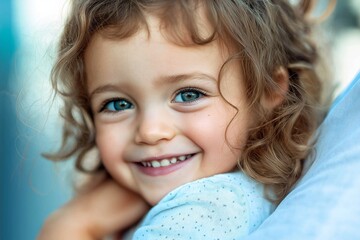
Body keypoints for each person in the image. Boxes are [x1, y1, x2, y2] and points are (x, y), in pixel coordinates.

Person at [38, 0, 329, 239]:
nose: (151, 132)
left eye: (189, 95)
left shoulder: (206, 209)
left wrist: (72, 225)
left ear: (267, 90)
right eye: (117, 103)